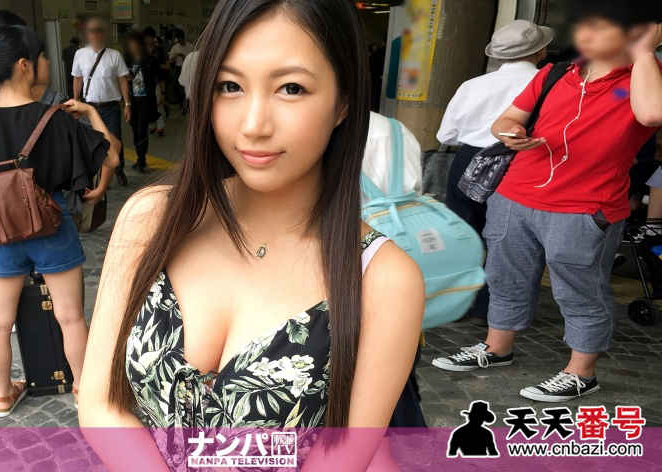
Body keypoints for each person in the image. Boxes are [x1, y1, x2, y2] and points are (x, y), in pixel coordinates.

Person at [79, 0, 424, 468]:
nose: (253, 125)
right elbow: (101, 403)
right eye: (230, 86)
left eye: (291, 88)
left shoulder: (384, 279)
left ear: (343, 101)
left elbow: (343, 456)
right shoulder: (152, 218)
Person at [433, 2, 662, 402]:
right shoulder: (554, 74)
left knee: (579, 288)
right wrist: (511, 131)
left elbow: (651, 114)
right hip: (515, 195)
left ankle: (581, 372)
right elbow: (506, 119)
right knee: (505, 276)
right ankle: (497, 348)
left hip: (584, 207)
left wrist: (645, 52)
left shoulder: (636, 82)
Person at [0, 26, 121, 417]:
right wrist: (92, 113)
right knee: (70, 317)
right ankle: (82, 391)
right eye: (42, 57)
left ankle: (2, 395)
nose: (45, 62)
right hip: (51, 226)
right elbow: (111, 158)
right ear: (24, 65)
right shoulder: (55, 119)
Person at [436, 20, 552, 324]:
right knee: (510, 239)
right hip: (522, 161)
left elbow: (446, 135)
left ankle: (459, 302)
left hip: (469, 160)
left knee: (464, 233)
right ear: (540, 50)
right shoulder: (548, 84)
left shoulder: (473, 85)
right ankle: (495, 308)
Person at [72, 17, 130, 187]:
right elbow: (77, 78)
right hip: (90, 107)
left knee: (115, 140)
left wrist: (127, 104)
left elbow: (123, 80)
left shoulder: (114, 55)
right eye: (92, 31)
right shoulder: (80, 54)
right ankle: (100, 175)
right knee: (94, 142)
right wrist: (76, 101)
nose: (95, 34)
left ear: (104, 34)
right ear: (87, 34)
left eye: (99, 31)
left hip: (111, 107)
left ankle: (118, 169)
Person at [124, 31, 159, 174]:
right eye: (130, 44)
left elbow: (157, 78)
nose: (133, 47)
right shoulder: (126, 61)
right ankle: (139, 159)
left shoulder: (150, 60)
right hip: (132, 101)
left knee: (142, 130)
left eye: (135, 44)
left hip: (145, 100)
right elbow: (122, 80)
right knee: (135, 130)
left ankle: (142, 160)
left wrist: (161, 95)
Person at [143, 27, 168, 137]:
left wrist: (155, 65)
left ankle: (160, 126)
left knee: (158, 104)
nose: (148, 40)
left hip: (156, 81)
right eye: (146, 38)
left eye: (150, 37)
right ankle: (151, 125)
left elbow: (166, 66)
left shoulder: (159, 50)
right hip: (143, 83)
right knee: (147, 105)